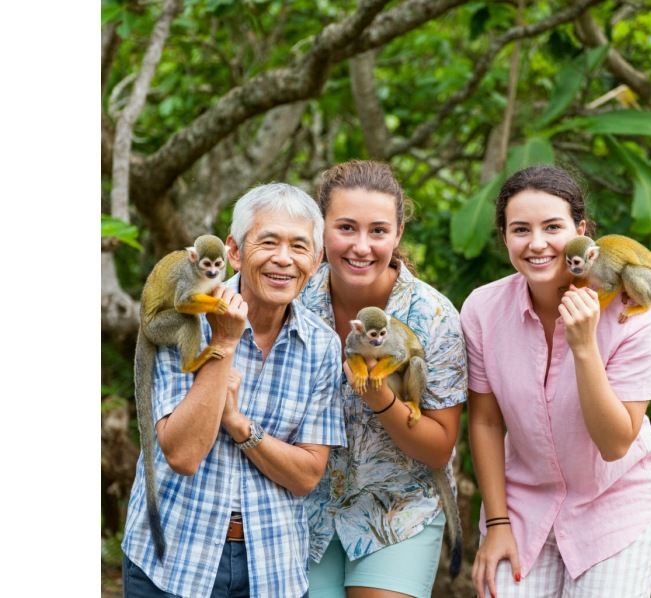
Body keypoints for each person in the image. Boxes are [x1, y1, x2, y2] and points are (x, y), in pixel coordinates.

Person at [121, 183, 347, 598]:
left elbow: (306, 476)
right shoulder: (184, 321)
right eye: (268, 242)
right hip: (174, 559)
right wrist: (223, 345)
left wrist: (237, 423)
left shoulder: (322, 345)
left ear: (315, 262)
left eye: (299, 247)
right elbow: (184, 454)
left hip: (272, 566)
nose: (283, 258)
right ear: (235, 252)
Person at [462, 165, 651, 598]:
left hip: (612, 507)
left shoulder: (632, 314)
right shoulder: (483, 310)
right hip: (521, 507)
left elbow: (614, 444)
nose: (537, 244)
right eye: (521, 230)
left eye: (552, 227)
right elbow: (483, 423)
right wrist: (496, 523)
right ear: (505, 238)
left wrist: (585, 347)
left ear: (582, 232)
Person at [299, 160, 468, 598]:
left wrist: (381, 399)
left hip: (398, 509)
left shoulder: (431, 317)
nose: (361, 246)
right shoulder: (291, 299)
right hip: (303, 508)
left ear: (397, 235)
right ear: (320, 231)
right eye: (346, 228)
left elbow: (439, 446)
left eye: (377, 231)